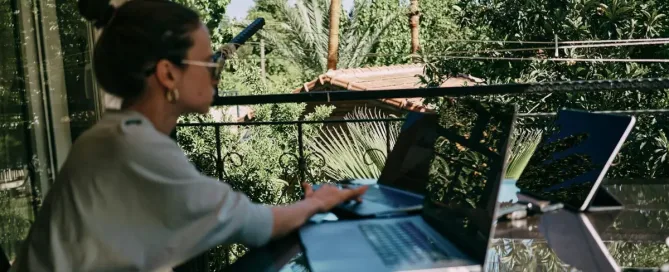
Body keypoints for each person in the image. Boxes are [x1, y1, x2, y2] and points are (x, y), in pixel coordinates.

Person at [10, 0, 368, 271]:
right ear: (168, 74)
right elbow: (255, 224)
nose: (217, 70)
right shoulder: (133, 148)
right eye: (208, 61)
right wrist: (320, 202)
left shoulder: (116, 136)